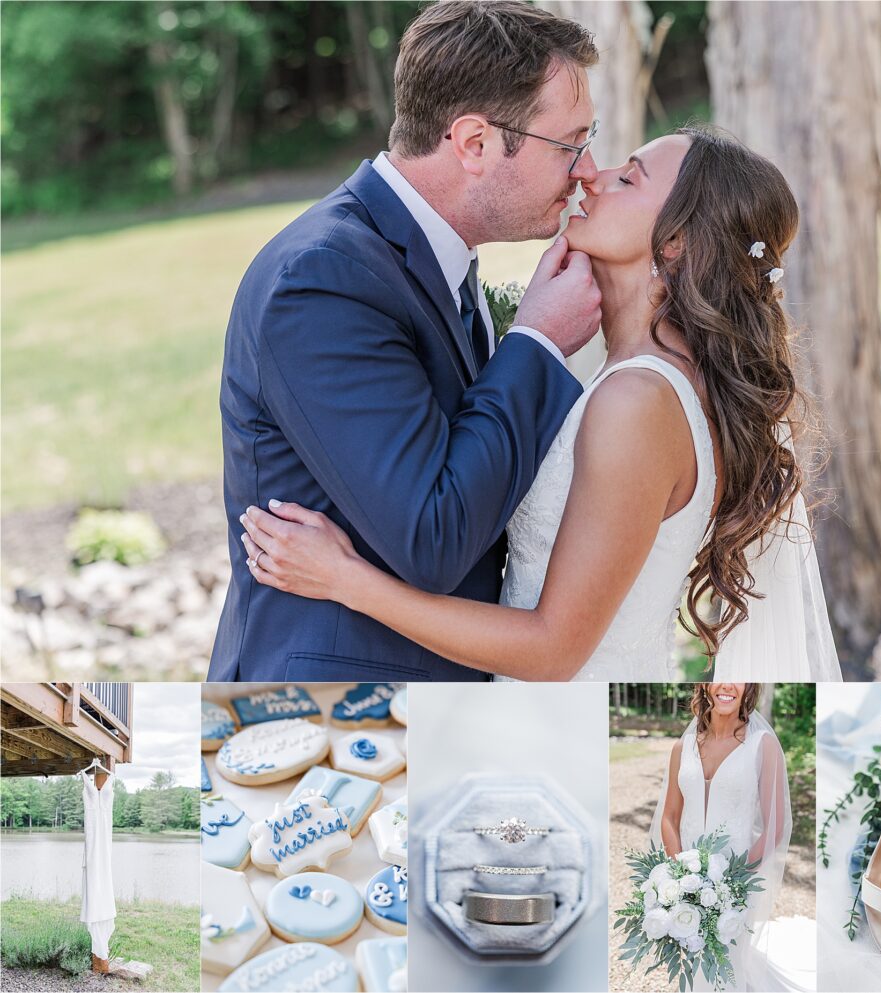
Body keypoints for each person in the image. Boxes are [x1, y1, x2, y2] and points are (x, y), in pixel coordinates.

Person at [239, 125, 842, 681]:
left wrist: (346, 579)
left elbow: (553, 648)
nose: (592, 175)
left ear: (678, 241)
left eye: (628, 177)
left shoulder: (639, 400)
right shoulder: (653, 382)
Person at [208, 1, 602, 681]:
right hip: (335, 703)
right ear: (474, 143)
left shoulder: (432, 257)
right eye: (570, 143)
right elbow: (433, 536)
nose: (588, 168)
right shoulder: (324, 280)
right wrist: (537, 339)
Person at [650, 683, 792, 991]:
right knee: (693, 955)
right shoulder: (683, 747)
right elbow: (670, 817)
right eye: (719, 678)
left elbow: (775, 824)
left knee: (728, 965)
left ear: (749, 687)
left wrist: (735, 884)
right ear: (705, 684)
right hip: (686, 881)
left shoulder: (762, 745)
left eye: (738, 679)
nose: (727, 685)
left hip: (737, 881)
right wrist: (678, 877)